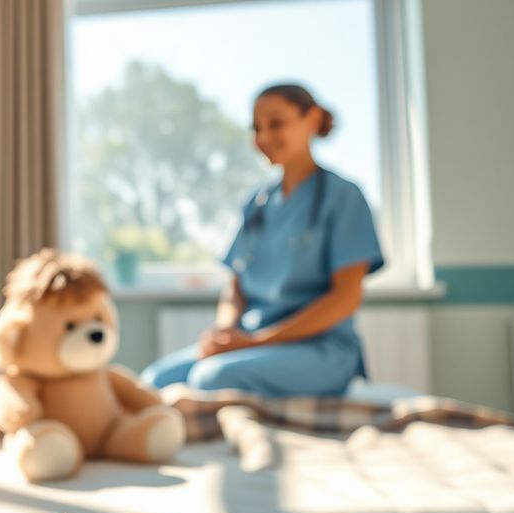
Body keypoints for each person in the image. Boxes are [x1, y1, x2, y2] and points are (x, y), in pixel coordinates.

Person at [141, 83, 383, 396]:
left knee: (211, 379)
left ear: (312, 119)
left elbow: (346, 298)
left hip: (320, 349)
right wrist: (226, 331)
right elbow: (236, 287)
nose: (264, 137)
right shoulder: (256, 202)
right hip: (251, 343)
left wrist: (257, 341)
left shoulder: (343, 198)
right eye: (256, 128)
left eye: (276, 123)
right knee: (154, 381)